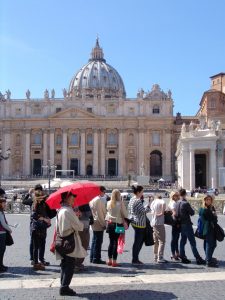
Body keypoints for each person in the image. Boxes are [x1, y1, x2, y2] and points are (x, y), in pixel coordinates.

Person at [55, 191, 86, 296]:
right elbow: (79, 226)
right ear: (66, 198)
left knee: (64, 264)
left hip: (61, 240)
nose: (73, 200)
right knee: (70, 265)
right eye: (72, 198)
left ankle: (62, 284)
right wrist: (77, 217)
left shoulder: (60, 210)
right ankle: (65, 287)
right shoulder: (68, 211)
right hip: (69, 240)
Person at [176, 189, 205, 265]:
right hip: (187, 224)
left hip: (181, 224)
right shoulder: (185, 203)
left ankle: (182, 256)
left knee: (182, 241)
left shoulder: (177, 203)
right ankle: (198, 258)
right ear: (185, 194)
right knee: (192, 242)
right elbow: (192, 213)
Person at [128, 185, 151, 265]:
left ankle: (135, 258)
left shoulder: (132, 199)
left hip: (134, 222)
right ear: (138, 192)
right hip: (140, 223)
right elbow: (143, 211)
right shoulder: (138, 200)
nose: (142, 193)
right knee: (138, 242)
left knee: (137, 241)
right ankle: (135, 259)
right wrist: (149, 205)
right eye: (142, 191)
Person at [105, 189, 128, 267]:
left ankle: (109, 260)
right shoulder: (120, 203)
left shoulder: (108, 203)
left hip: (110, 224)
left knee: (111, 242)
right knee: (116, 242)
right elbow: (125, 214)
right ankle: (114, 261)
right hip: (118, 224)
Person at [30, 189, 51, 270]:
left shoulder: (43, 204)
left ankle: (41, 260)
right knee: (36, 246)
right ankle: (36, 263)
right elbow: (34, 216)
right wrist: (45, 219)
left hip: (42, 228)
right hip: (36, 228)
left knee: (42, 245)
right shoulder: (35, 204)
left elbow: (45, 214)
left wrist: (47, 218)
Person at [89, 186, 107, 264]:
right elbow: (100, 214)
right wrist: (103, 224)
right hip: (98, 222)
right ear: (100, 191)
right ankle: (96, 258)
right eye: (104, 191)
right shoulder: (98, 200)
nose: (105, 193)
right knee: (98, 241)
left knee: (94, 240)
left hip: (94, 222)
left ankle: (92, 257)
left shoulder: (93, 199)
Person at [199, 195, 218, 267]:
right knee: (209, 244)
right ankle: (208, 261)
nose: (208, 201)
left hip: (212, 228)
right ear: (204, 200)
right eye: (207, 199)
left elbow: (214, 218)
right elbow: (211, 218)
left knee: (212, 244)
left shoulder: (211, 207)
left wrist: (214, 217)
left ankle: (208, 257)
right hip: (207, 229)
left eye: (210, 199)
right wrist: (214, 216)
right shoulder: (204, 209)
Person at [74, 204, 93, 271]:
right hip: (83, 226)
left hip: (77, 226)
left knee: (78, 244)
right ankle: (77, 263)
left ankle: (77, 263)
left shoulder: (73, 203)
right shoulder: (84, 204)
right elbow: (89, 214)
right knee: (84, 244)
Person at [150, 195, 167, 263]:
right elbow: (163, 208)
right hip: (159, 223)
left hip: (153, 223)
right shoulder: (162, 201)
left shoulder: (153, 202)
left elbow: (151, 211)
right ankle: (160, 257)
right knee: (162, 241)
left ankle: (155, 256)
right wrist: (161, 213)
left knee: (155, 241)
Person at [0, 189, 12, 272]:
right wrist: (9, 229)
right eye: (4, 203)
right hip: (1, 233)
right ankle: (0, 266)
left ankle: (1, 265)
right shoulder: (0, 212)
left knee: (2, 250)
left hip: (2, 232)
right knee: (1, 250)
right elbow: (3, 223)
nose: (5, 204)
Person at [168, 191, 181, 261]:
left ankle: (176, 253)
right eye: (175, 195)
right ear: (172, 196)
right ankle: (173, 254)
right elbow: (174, 213)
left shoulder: (175, 202)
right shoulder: (173, 202)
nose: (176, 196)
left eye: (177, 195)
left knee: (176, 238)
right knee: (174, 239)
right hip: (175, 222)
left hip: (175, 221)